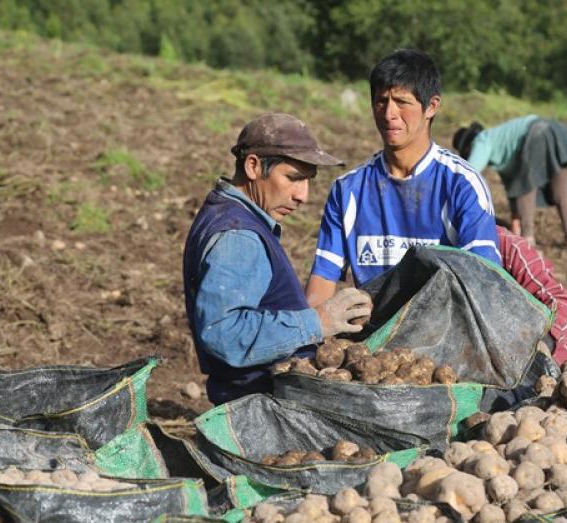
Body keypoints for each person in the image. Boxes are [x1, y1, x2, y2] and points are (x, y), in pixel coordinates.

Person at [183, 113, 372, 405]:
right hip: (258, 405)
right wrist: (318, 321)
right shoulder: (238, 236)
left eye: (308, 181)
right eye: (293, 179)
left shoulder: (230, 216)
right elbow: (223, 333)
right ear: (253, 166)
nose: (303, 196)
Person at [305, 49, 501, 303]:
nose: (389, 114)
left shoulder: (461, 184)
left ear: (431, 106)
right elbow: (323, 278)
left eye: (402, 102)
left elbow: (484, 283)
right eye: (381, 101)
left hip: (443, 333)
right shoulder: (348, 189)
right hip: (372, 334)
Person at [453, 116, 567, 251]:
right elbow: (512, 186)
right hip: (557, 130)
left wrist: (450, 197)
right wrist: (515, 219)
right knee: (561, 194)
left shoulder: (481, 141)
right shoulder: (501, 147)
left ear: (467, 148)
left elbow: (469, 175)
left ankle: (527, 241)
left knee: (526, 187)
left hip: (538, 133)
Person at [496, 225, 567, 364]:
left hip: (554, 361)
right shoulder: (448, 251)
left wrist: (546, 338)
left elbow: (560, 300)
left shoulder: (510, 247)